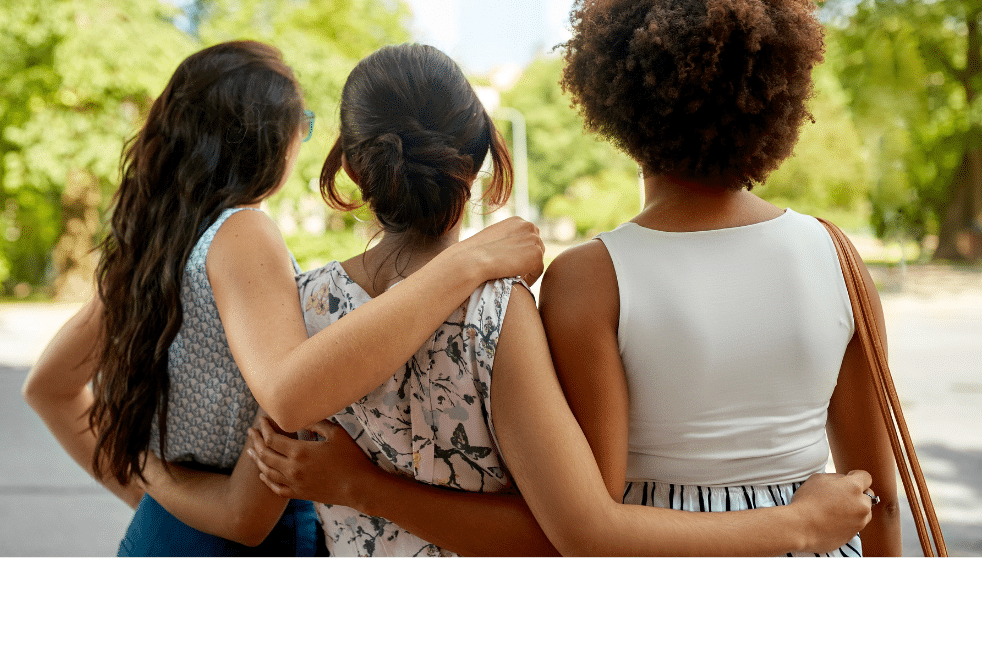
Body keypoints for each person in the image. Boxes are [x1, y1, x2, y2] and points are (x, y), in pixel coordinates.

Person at [163, 43, 875, 557]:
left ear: (351, 167)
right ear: (479, 163)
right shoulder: (497, 316)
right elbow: (566, 533)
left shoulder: (305, 305)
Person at [22, 40, 544, 557]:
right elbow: (251, 498)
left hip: (166, 534)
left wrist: (150, 481)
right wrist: (464, 262)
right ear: (276, 140)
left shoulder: (151, 246)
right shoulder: (244, 234)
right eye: (305, 123)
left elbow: (49, 387)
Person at [536, 0, 900, 556]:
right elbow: (877, 495)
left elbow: (597, 516)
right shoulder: (836, 254)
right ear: (773, 102)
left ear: (618, 109)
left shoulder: (589, 277)